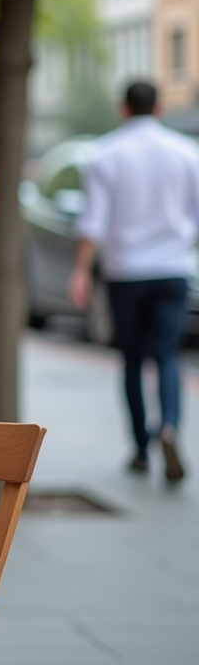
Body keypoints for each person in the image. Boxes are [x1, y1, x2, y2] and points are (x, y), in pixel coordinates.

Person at [69, 81, 199, 483]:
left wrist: (80, 271)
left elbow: (94, 222)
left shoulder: (105, 154)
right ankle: (170, 426)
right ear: (159, 107)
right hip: (173, 268)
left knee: (131, 359)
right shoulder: (187, 152)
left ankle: (141, 449)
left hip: (125, 271)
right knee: (167, 354)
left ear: (123, 109)